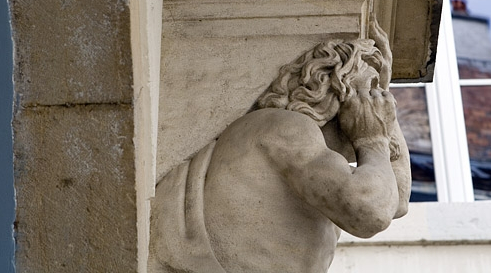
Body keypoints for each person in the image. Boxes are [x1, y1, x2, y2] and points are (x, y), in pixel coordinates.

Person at [151, 23, 411, 273]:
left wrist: (385, 115)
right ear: (337, 89)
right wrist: (372, 139)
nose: (381, 109)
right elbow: (370, 211)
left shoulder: (317, 163)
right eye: (372, 98)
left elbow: (396, 201)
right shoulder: (286, 128)